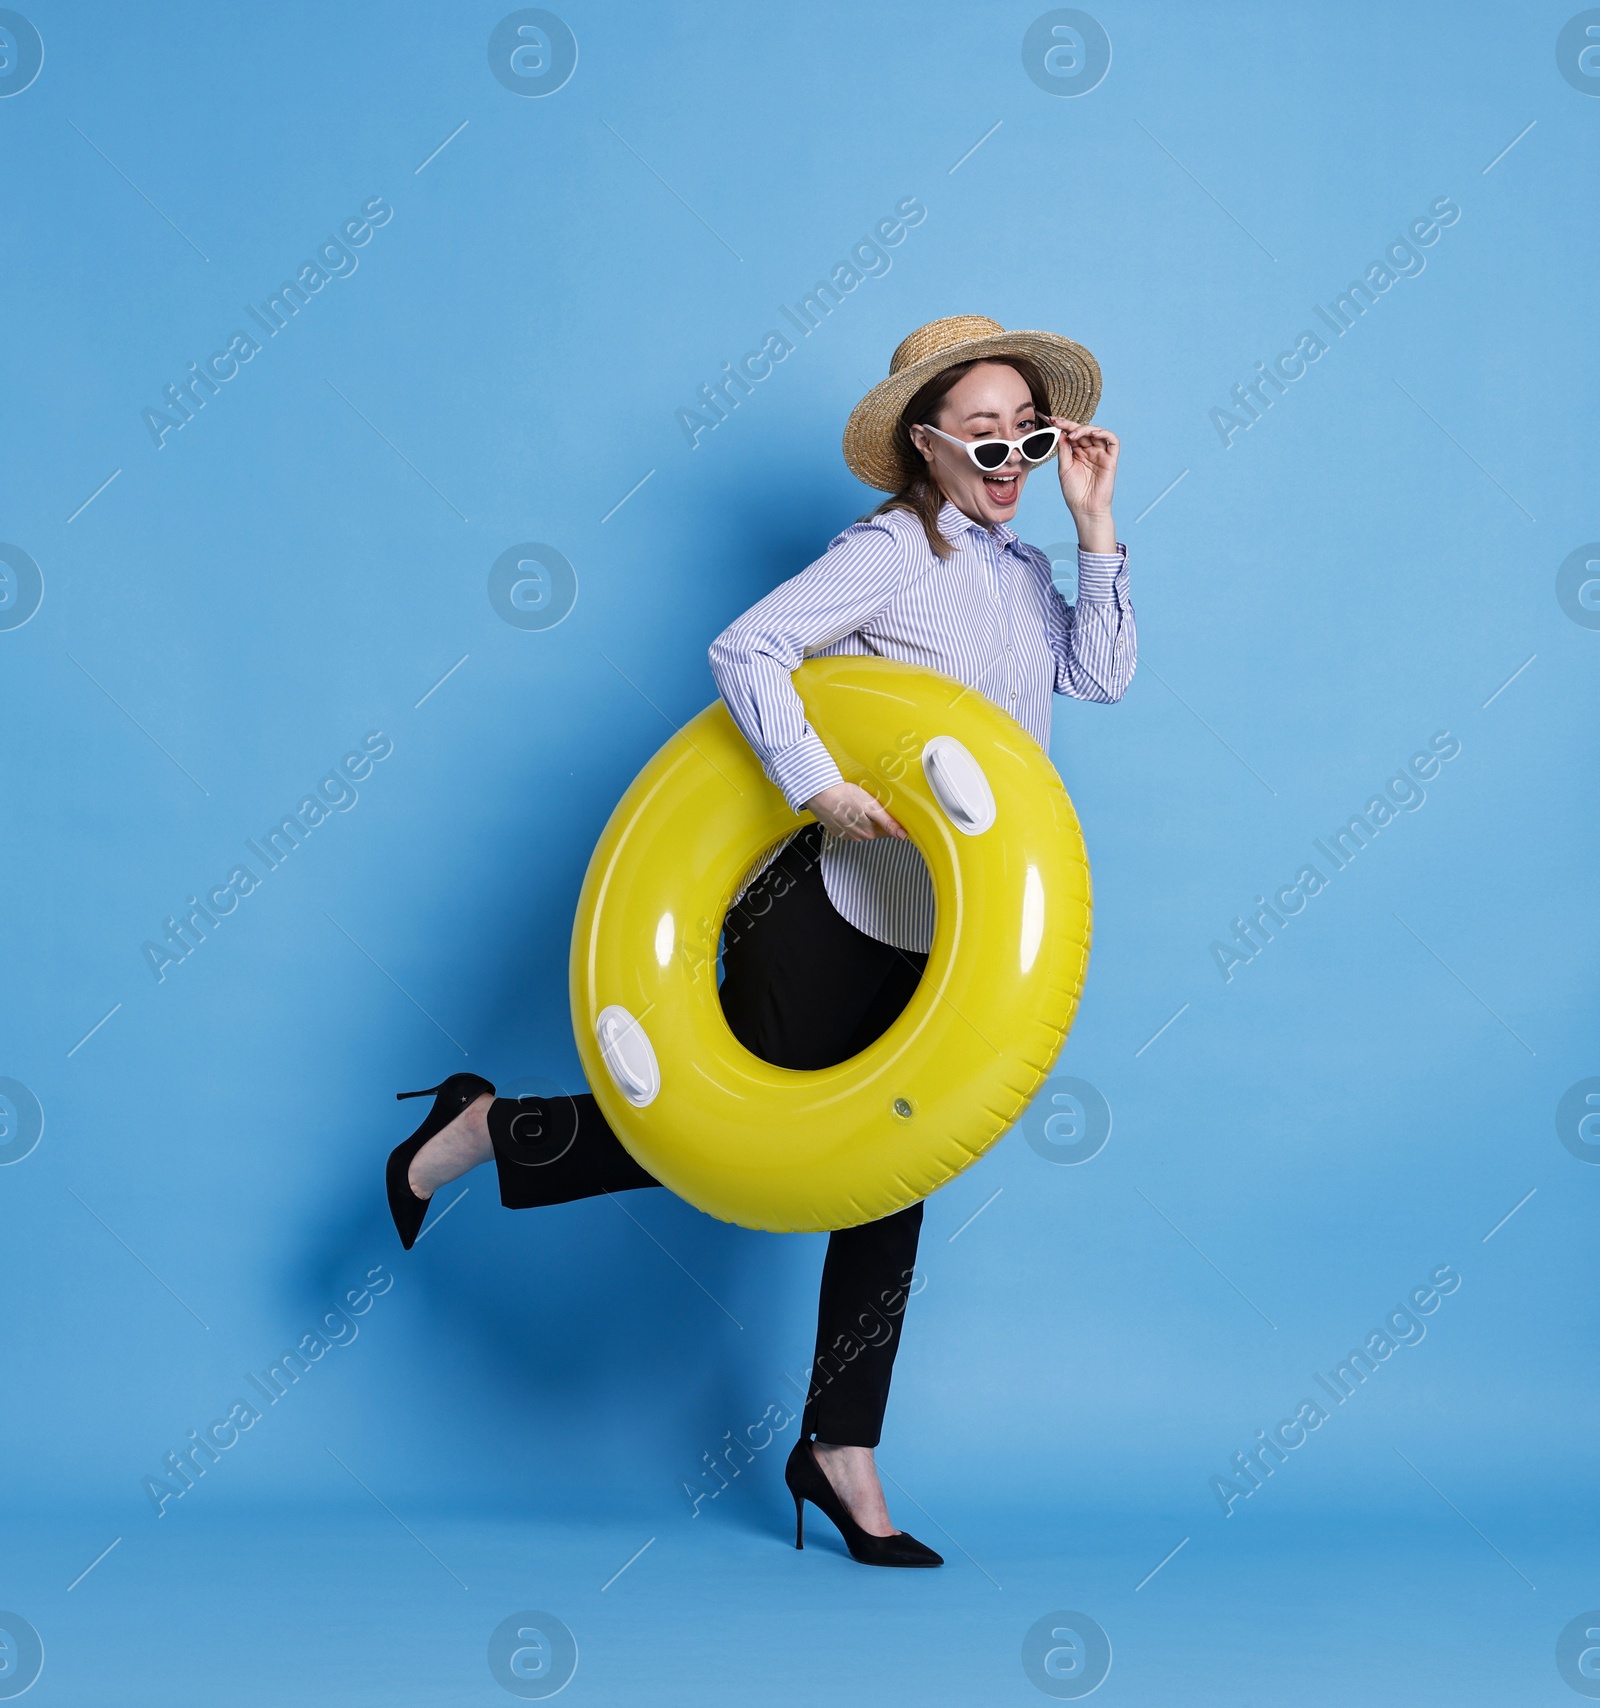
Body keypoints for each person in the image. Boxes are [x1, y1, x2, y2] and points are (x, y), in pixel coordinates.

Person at [382, 314, 1136, 1567]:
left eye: (1035, 436)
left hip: (945, 938)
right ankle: (477, 1128)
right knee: (711, 1130)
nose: (1017, 459)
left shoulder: (1021, 575)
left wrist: (1097, 523)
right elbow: (748, 647)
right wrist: (814, 785)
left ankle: (839, 1449)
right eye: (990, 437)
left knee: (892, 1177)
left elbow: (1100, 678)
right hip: (830, 914)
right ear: (926, 445)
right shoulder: (888, 554)